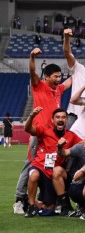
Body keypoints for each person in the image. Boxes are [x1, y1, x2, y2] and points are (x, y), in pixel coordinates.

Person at [13, 49, 72, 215]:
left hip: (52, 135)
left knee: (51, 165)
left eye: (60, 76)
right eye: (55, 76)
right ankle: (19, 199)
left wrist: (84, 70)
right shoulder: (39, 86)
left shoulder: (58, 90)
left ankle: (45, 198)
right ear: (46, 77)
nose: (59, 79)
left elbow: (71, 81)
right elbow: (32, 71)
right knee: (30, 164)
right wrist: (32, 57)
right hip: (38, 133)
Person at [23, 107, 81, 217]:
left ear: (67, 120)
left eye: (63, 117)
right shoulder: (44, 130)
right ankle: (31, 206)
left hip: (54, 175)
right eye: (57, 117)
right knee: (33, 175)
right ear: (52, 120)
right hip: (40, 168)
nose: (60, 119)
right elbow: (28, 129)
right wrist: (31, 116)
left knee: (48, 209)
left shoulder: (71, 135)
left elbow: (83, 144)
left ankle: (59, 205)